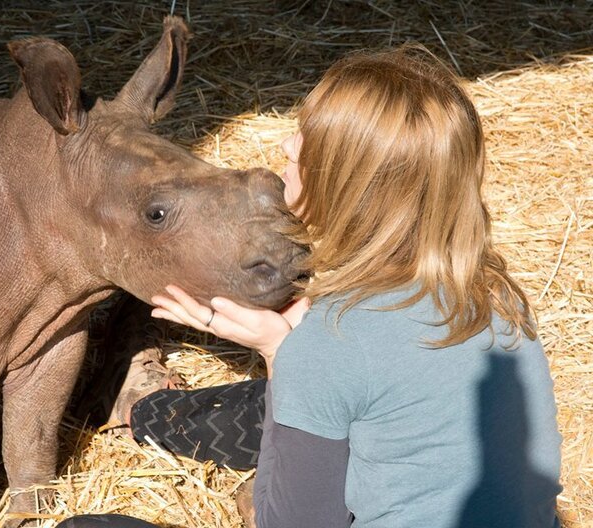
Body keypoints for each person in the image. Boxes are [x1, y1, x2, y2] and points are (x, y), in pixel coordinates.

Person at [57, 45, 562, 528]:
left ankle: (143, 414)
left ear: (346, 179)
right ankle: (143, 414)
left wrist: (281, 354)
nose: (286, 145)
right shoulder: (496, 294)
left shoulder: (329, 346)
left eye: (306, 137)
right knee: (297, 403)